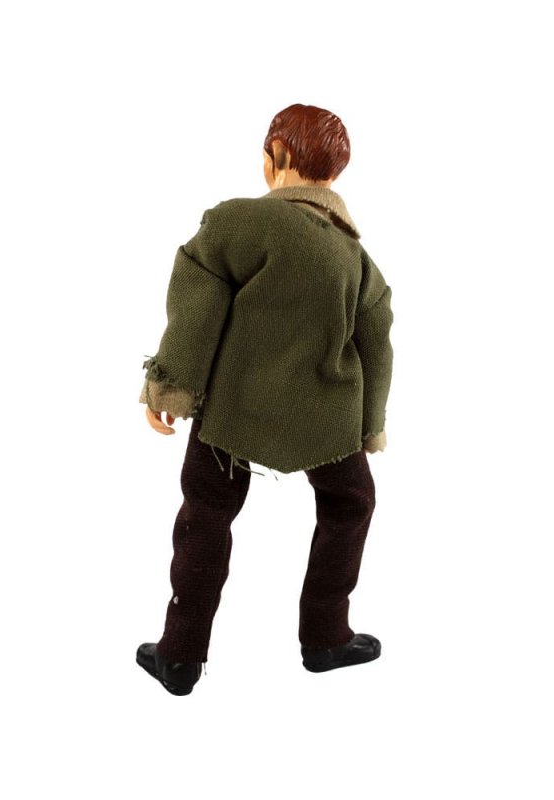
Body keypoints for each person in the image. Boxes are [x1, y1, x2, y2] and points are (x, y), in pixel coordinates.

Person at [136, 104, 394, 695]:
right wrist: (369, 426)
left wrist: (172, 385)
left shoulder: (237, 222)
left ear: (274, 157)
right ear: (335, 173)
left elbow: (197, 306)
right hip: (329, 417)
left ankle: (180, 654)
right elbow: (376, 341)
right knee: (350, 506)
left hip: (233, 409)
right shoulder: (358, 259)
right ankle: (326, 637)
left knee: (206, 513)